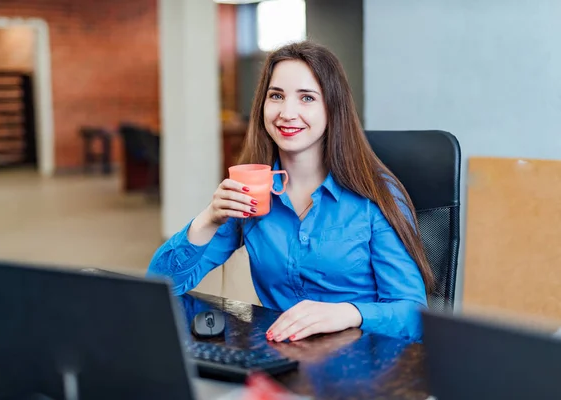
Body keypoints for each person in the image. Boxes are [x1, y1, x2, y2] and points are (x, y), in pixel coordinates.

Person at [147, 41, 434, 342]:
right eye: (276, 96)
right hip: (280, 357)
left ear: (332, 108)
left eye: (307, 98)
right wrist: (208, 220)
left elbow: (413, 317)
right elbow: (161, 284)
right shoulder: (252, 192)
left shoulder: (375, 196)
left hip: (361, 359)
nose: (287, 112)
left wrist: (348, 313)